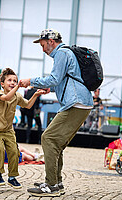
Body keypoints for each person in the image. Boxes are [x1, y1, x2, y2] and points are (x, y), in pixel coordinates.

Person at [19, 29, 93, 197]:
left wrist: (31, 81)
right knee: (57, 143)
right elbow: (64, 80)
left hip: (76, 103)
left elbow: (54, 78)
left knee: (48, 138)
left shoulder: (61, 53)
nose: (43, 49)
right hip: (81, 102)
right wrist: (50, 88)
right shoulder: (66, 53)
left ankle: (51, 184)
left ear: (51, 41)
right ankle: (57, 182)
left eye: (43, 45)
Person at [0, 68, 48, 189]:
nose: (13, 82)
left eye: (15, 81)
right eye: (9, 80)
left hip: (8, 130)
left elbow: (28, 105)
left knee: (15, 152)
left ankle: (12, 177)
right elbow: (6, 98)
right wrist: (18, 87)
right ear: (2, 84)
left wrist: (36, 94)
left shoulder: (17, 96)